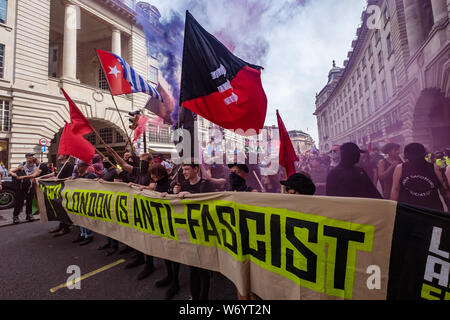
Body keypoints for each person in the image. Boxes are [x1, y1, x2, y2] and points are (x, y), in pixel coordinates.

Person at [168, 161, 214, 300]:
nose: (184, 173)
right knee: (192, 268)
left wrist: (190, 195)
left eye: (187, 169)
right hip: (189, 233)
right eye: (183, 170)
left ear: (196, 169)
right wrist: (172, 193)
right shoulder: (184, 184)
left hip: (203, 234)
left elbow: (209, 205)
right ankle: (195, 297)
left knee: (203, 270)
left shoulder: (206, 185)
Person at [141, 164, 180, 300]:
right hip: (161, 223)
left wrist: (170, 195)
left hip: (172, 224)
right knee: (165, 252)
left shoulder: (172, 184)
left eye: (154, 174)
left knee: (174, 254)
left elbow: (176, 199)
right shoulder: (157, 185)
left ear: (160, 173)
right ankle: (169, 276)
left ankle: (175, 282)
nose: (152, 177)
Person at [391, 143, 448, 212]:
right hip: (409, 210)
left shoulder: (434, 168)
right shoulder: (400, 168)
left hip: (431, 211)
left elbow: (444, 189)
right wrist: (393, 208)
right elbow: (395, 189)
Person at [44, 155, 75, 237]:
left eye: (61, 154)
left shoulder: (69, 165)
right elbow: (56, 174)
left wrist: (61, 180)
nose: (58, 155)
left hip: (64, 189)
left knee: (64, 208)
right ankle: (61, 225)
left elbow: (71, 177)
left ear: (65, 156)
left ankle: (66, 227)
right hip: (58, 189)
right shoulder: (61, 165)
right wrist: (42, 177)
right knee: (59, 208)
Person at [97, 156, 121, 256]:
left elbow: (117, 186)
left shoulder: (116, 171)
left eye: (105, 161)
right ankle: (109, 242)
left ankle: (114, 245)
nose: (103, 163)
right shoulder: (107, 172)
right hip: (106, 200)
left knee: (112, 225)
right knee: (106, 223)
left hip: (113, 201)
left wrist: (105, 183)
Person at [9, 153, 42, 224]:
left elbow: (34, 175)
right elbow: (10, 171)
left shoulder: (36, 165)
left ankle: (29, 215)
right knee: (19, 202)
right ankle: (15, 216)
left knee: (29, 201)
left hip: (31, 185)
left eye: (32, 157)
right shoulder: (22, 164)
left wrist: (23, 177)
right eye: (29, 157)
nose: (31, 158)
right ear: (26, 157)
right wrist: (13, 174)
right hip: (22, 186)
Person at [72, 161, 97, 246]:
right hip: (80, 200)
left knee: (87, 219)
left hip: (88, 201)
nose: (78, 168)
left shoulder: (90, 175)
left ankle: (89, 236)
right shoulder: (79, 176)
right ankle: (83, 234)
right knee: (81, 218)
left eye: (80, 166)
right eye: (78, 166)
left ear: (85, 167)